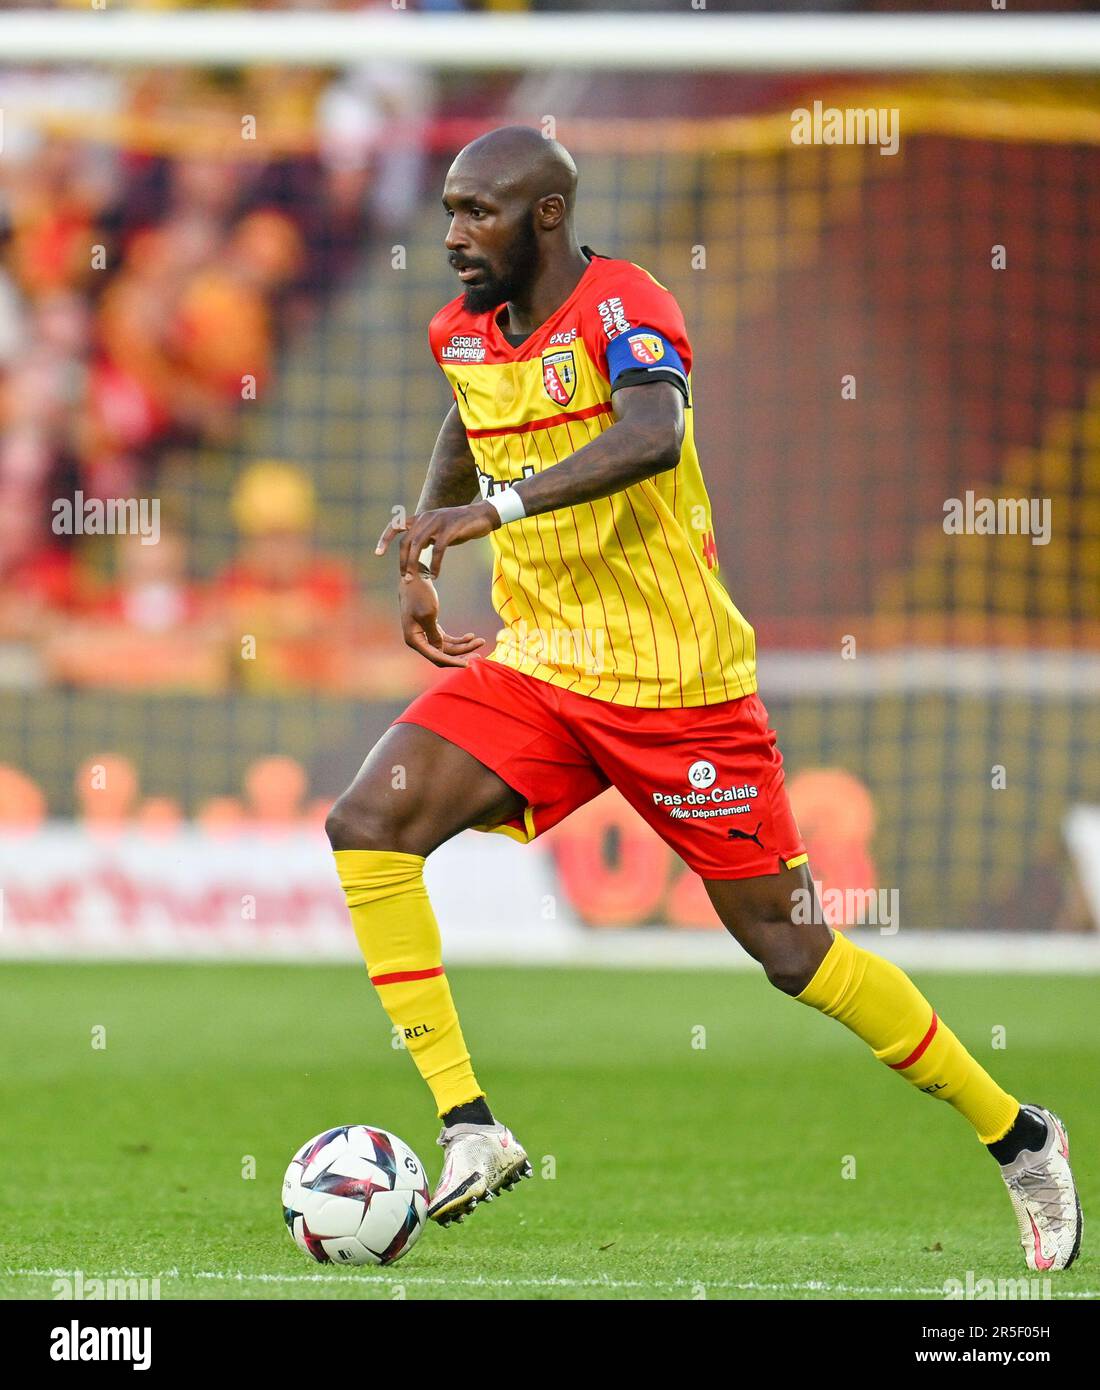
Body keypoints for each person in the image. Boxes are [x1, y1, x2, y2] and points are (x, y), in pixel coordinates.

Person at [326, 126, 1081, 1267]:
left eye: (478, 213)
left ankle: (1016, 1134)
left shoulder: (626, 307)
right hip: (539, 662)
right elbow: (466, 408)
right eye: (446, 211)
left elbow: (650, 431)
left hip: (676, 682)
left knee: (789, 951)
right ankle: (470, 1126)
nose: (452, 237)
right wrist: (423, 553)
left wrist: (491, 515)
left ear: (545, 217)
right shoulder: (465, 331)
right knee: (367, 825)